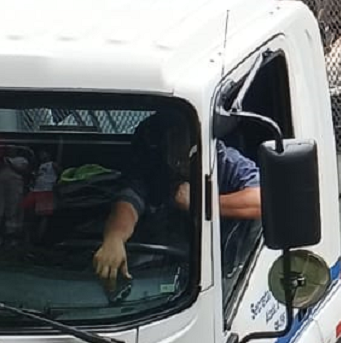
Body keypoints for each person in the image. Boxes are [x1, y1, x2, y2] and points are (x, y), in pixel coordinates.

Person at [92, 112, 262, 291]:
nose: (176, 143)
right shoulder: (153, 168)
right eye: (171, 136)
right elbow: (128, 200)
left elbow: (260, 199)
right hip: (158, 266)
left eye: (183, 135)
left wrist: (200, 202)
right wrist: (114, 238)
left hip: (215, 268)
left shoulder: (225, 160)